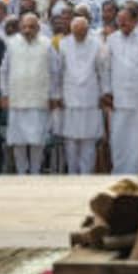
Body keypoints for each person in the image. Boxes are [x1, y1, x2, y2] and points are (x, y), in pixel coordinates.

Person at [0, 13, 59, 174]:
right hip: (17, 99)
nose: (27, 30)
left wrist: (54, 96)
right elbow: (4, 70)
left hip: (39, 99)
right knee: (18, 140)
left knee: (36, 140)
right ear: (20, 27)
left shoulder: (47, 45)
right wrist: (4, 94)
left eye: (31, 27)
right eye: (24, 26)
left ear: (38, 28)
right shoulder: (12, 44)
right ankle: (21, 172)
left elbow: (55, 72)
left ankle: (35, 172)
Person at [101, 6, 138, 174]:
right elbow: (106, 68)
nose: (122, 22)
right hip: (118, 97)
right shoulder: (111, 40)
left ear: (135, 21)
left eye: (125, 19)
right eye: (120, 20)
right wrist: (106, 91)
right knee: (119, 138)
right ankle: (119, 172)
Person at [54, 16, 106, 174]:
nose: (79, 35)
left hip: (91, 97)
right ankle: (72, 175)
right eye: (76, 32)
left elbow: (102, 72)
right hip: (69, 98)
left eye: (82, 32)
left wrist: (104, 94)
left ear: (87, 30)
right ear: (71, 30)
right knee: (70, 142)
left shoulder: (97, 45)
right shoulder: (63, 44)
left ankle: (86, 176)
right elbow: (58, 73)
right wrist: (57, 95)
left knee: (89, 142)